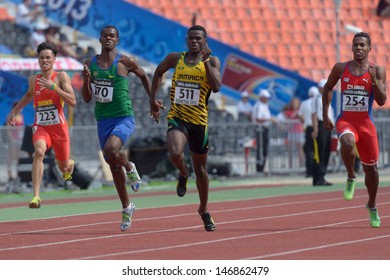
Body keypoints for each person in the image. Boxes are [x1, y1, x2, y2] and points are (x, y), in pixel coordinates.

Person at [81, 25, 162, 232]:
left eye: (112, 36)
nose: (108, 38)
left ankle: (130, 167)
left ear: (117, 40)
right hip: (103, 120)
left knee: (110, 151)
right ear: (99, 39)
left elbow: (144, 76)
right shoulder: (91, 63)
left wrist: (152, 100)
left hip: (124, 117)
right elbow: (87, 98)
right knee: (112, 165)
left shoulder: (125, 61)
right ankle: (127, 207)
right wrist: (87, 80)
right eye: (105, 36)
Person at [150, 25, 221, 231]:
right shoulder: (175, 58)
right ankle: (183, 172)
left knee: (202, 171)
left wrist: (206, 62)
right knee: (174, 153)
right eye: (191, 38)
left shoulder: (212, 61)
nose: (194, 42)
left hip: (199, 122)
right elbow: (158, 71)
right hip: (178, 117)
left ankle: (204, 210)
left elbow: (216, 87)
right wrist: (152, 100)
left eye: (198, 39)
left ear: (205, 41)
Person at [322, 32, 387, 228]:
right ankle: (351, 175)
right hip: (346, 121)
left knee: (372, 171)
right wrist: (326, 114)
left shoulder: (378, 70)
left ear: (369, 49)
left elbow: (382, 101)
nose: (358, 48)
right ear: (351, 48)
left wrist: (375, 81)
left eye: (362, 45)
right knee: (347, 143)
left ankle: (372, 205)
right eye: (355, 45)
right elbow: (327, 88)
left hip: (366, 125)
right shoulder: (341, 68)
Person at [6, 41, 76, 208]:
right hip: (41, 126)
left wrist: (54, 88)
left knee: (63, 167)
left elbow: (73, 101)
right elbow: (28, 96)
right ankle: (36, 196)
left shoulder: (61, 77)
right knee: (39, 152)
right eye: (41, 58)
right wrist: (14, 111)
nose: (44, 61)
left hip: (59, 129)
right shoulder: (33, 80)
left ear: (54, 59)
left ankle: (69, 165)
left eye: (48, 58)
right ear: (38, 59)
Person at [311, 79, 334, 186]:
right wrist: (315, 129)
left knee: (325, 152)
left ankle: (321, 176)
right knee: (320, 152)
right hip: (321, 126)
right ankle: (318, 177)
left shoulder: (327, 97)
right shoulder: (317, 99)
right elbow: (314, 114)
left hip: (326, 126)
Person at [297, 86, 319, 177]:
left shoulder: (304, 103)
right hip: (317, 127)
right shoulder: (318, 102)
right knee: (317, 150)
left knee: (309, 150)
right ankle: (316, 171)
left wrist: (305, 120)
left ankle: (309, 171)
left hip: (308, 128)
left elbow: (299, 115)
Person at [252, 89, 274, 173]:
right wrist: (269, 119)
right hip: (261, 129)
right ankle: (259, 168)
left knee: (264, 149)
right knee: (261, 149)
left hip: (264, 129)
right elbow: (258, 119)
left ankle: (262, 167)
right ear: (262, 97)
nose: (267, 99)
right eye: (266, 97)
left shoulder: (264, 105)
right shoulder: (259, 106)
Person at [6, 102, 25, 184]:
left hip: (20, 140)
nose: (22, 108)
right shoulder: (11, 116)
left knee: (19, 158)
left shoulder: (21, 116)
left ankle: (18, 175)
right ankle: (10, 176)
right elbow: (8, 128)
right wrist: (11, 139)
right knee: (11, 158)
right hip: (13, 140)